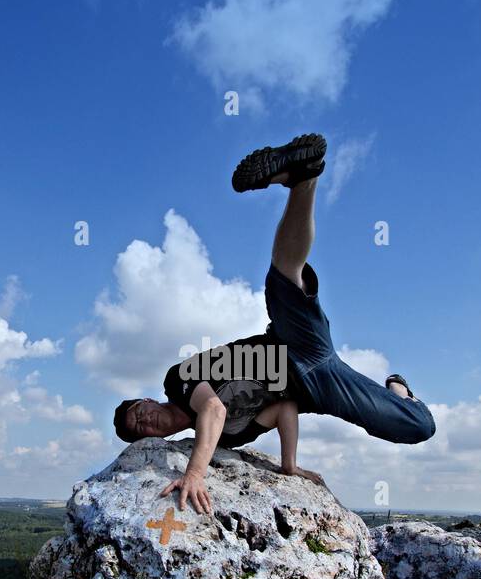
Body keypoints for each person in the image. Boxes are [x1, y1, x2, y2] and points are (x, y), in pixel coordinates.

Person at [114, 133, 435, 515]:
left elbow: (212, 408)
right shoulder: (228, 439)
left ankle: (305, 175)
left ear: (148, 399)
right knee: (418, 427)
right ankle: (399, 388)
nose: (146, 420)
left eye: (139, 411)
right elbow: (284, 409)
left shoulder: (177, 381)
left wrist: (195, 473)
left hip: (291, 344)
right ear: (153, 441)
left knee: (284, 280)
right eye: (140, 429)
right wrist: (289, 464)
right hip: (320, 386)